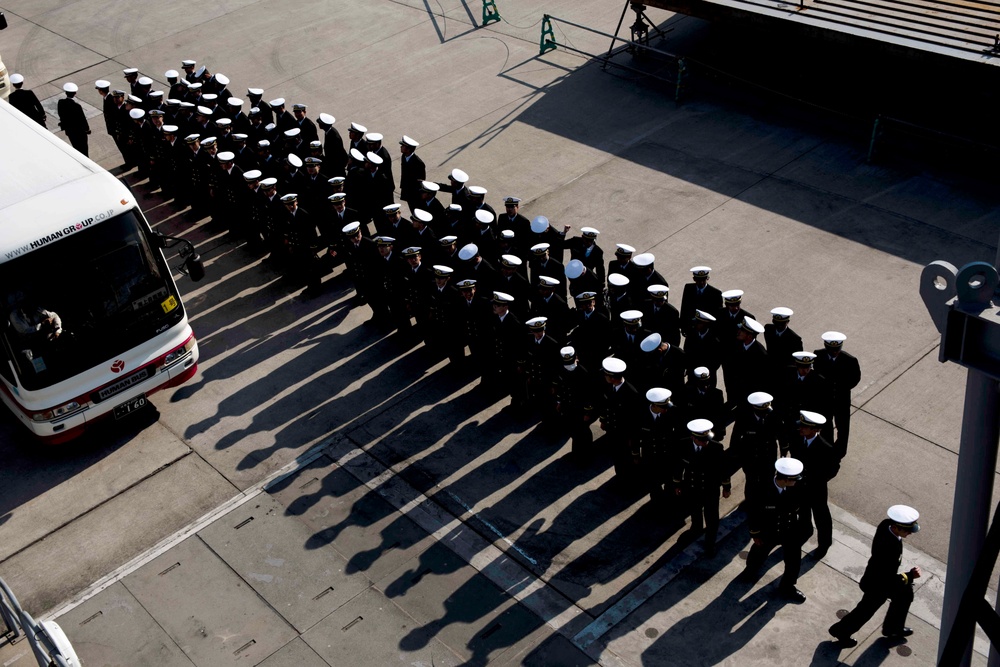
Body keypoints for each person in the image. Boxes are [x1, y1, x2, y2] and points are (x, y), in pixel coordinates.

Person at [829, 505, 922, 647]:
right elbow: (888, 579)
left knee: (905, 594)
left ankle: (893, 628)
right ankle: (840, 630)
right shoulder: (888, 548)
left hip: (881, 578)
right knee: (865, 611)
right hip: (878, 584)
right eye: (907, 530)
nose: (910, 533)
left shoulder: (887, 526)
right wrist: (910, 575)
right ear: (896, 527)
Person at [744, 457, 811, 602]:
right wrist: (755, 533)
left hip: (790, 530)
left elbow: (804, 508)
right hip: (769, 531)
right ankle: (749, 571)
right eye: (794, 479)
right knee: (757, 554)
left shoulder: (798, 487)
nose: (796, 481)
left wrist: (802, 530)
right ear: (785, 479)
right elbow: (753, 512)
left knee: (793, 562)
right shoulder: (762, 489)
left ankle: (787, 587)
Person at [673, 418, 730, 557]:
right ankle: (696, 528)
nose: (706, 442)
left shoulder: (716, 447)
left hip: (709, 489)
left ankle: (710, 544)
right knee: (695, 510)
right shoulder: (684, 444)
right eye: (702, 440)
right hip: (691, 487)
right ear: (693, 437)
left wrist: (726, 487)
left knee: (712, 519)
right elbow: (679, 466)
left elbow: (723, 469)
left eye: (707, 439)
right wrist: (677, 483)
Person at [812, 331, 861, 457]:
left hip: (841, 400)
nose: (835, 352)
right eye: (831, 349)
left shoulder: (850, 360)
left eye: (837, 349)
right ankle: (827, 450)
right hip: (825, 400)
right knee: (825, 427)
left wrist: (842, 388)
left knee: (843, 428)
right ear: (826, 347)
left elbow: (855, 378)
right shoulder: (818, 355)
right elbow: (816, 375)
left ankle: (839, 452)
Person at [57, 83, 91, 156]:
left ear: (66, 93)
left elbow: (61, 115)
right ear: (75, 93)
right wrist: (87, 129)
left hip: (70, 131)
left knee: (76, 147)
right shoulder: (77, 106)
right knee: (84, 149)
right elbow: (83, 119)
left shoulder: (61, 103)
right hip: (80, 132)